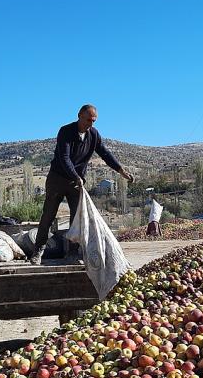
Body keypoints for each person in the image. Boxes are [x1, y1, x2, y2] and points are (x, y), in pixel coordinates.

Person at [30, 104, 134, 265]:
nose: (90, 124)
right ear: (79, 115)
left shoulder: (93, 134)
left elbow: (105, 153)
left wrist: (121, 170)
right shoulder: (65, 131)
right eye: (87, 120)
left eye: (93, 121)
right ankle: (38, 252)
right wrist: (75, 176)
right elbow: (64, 157)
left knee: (77, 218)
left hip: (76, 183)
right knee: (48, 216)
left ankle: (72, 253)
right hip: (57, 179)